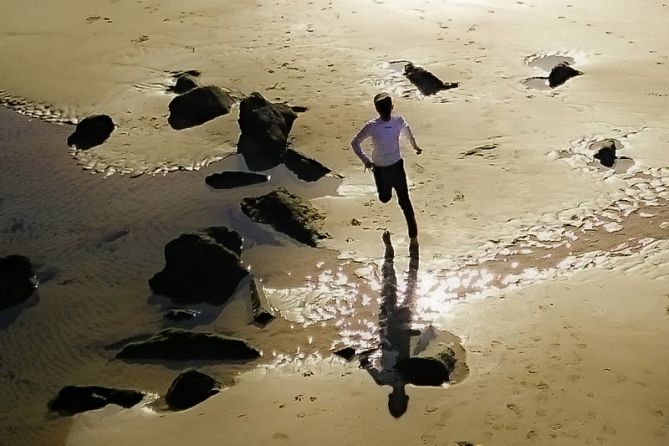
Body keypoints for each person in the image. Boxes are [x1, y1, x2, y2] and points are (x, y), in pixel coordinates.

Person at [351, 93, 421, 243]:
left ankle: (413, 237)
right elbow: (355, 142)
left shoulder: (396, 121)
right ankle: (413, 237)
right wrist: (366, 161)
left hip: (396, 166)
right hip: (380, 169)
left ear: (376, 109)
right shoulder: (372, 126)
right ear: (392, 107)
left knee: (405, 202)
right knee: (385, 198)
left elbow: (408, 133)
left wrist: (415, 147)